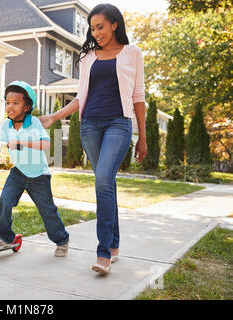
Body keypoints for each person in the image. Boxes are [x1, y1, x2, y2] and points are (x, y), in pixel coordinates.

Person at [39, 4, 147, 275]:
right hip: (89, 126)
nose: (95, 32)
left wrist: (143, 137)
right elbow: (80, 97)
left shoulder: (133, 54)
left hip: (118, 124)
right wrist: (54, 116)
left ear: (114, 24)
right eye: (92, 28)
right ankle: (114, 246)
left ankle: (102, 253)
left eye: (100, 27)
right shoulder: (87, 56)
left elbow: (138, 97)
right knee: (106, 184)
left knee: (102, 182)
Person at [0, 80, 70, 257]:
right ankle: (5, 237)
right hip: (19, 172)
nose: (10, 106)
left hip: (39, 175)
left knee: (47, 209)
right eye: (8, 102)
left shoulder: (34, 123)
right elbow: (1, 139)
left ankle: (61, 240)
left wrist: (22, 142)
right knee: (4, 201)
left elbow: (46, 144)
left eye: (16, 103)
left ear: (27, 106)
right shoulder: (6, 125)